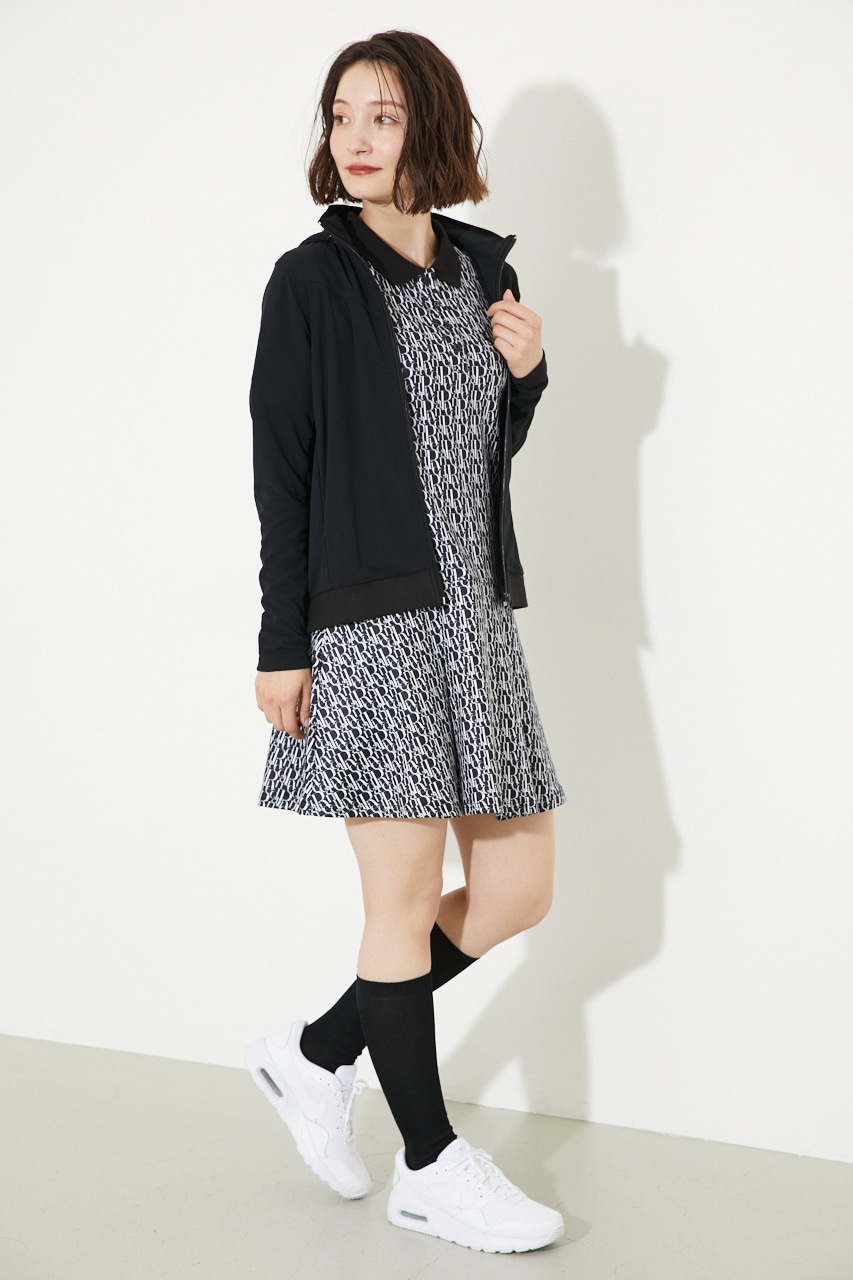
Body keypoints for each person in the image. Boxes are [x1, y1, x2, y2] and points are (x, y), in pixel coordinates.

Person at [245, 30, 566, 1255]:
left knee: (519, 886)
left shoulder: (480, 268)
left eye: (381, 115)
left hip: (476, 620)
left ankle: (314, 1053)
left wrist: (525, 380)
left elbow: (469, 453)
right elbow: (283, 470)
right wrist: (283, 641)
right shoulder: (311, 281)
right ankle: (428, 1162)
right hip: (369, 622)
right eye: (341, 116)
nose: (356, 138)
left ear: (430, 126)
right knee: (398, 897)